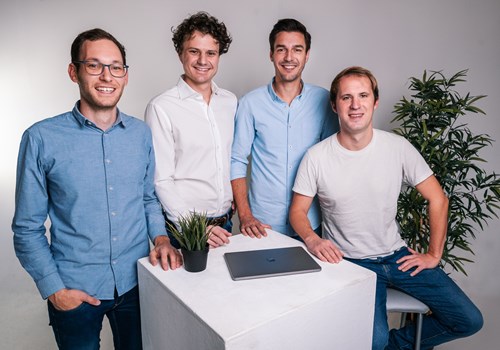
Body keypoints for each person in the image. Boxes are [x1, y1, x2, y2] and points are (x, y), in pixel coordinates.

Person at [289, 66, 483, 349]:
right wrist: (312, 239)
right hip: (351, 263)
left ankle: (392, 346)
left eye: (363, 95)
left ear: (375, 101)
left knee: (468, 320)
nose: (356, 105)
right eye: (346, 98)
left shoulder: (397, 147)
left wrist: (434, 254)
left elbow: (438, 199)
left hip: (397, 257)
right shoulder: (316, 157)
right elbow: (297, 211)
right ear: (334, 105)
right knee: (373, 341)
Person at [12, 28, 181, 350]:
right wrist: (54, 290)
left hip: (137, 283)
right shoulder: (41, 138)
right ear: (73, 71)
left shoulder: (141, 134)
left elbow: (147, 198)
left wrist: (160, 239)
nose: (107, 76)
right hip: (74, 289)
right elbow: (26, 228)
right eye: (94, 65)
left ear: (126, 76)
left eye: (116, 67)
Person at [230, 18, 338, 240]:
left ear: (307, 55)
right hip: (262, 225)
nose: (289, 57)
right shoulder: (250, 103)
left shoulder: (325, 101)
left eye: (297, 49)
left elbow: (334, 159)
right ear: (271, 54)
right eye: (282, 49)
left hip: (311, 222)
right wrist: (245, 215)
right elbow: (237, 160)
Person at [145, 12, 236, 248]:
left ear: (219, 56)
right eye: (194, 51)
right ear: (180, 54)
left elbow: (229, 159)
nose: (202, 60)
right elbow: (161, 179)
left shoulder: (230, 102)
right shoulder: (161, 107)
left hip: (226, 224)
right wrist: (194, 227)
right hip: (185, 227)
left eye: (211, 53)